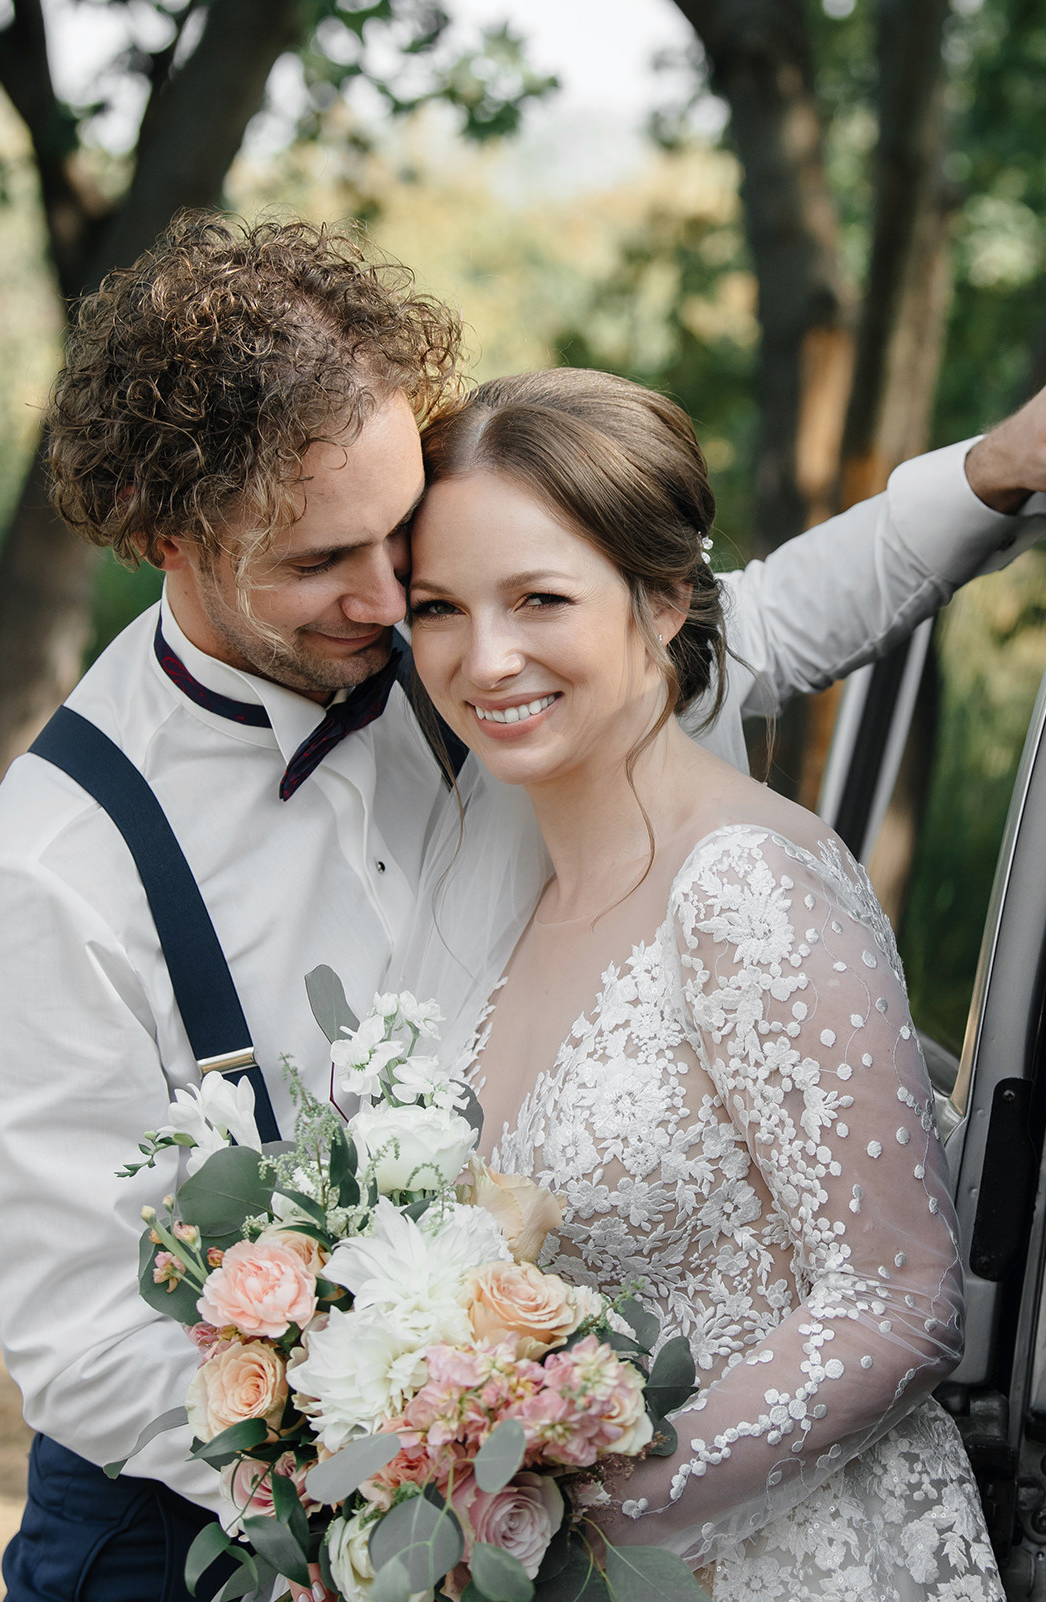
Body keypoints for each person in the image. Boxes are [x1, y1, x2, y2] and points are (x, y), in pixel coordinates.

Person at [0, 210, 1046, 1602]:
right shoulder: (50, 871)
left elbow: (734, 627)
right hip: (184, 1533)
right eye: (319, 564)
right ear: (161, 538)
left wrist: (988, 476)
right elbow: (79, 1334)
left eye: (398, 538)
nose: (386, 600)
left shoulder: (458, 646)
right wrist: (394, 1501)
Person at [403, 365, 995, 1598]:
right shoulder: (503, 896)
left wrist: (583, 1534)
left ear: (666, 598)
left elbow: (900, 1301)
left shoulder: (742, 890)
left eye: (539, 598)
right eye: (439, 608)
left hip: (776, 1560)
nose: (486, 656)